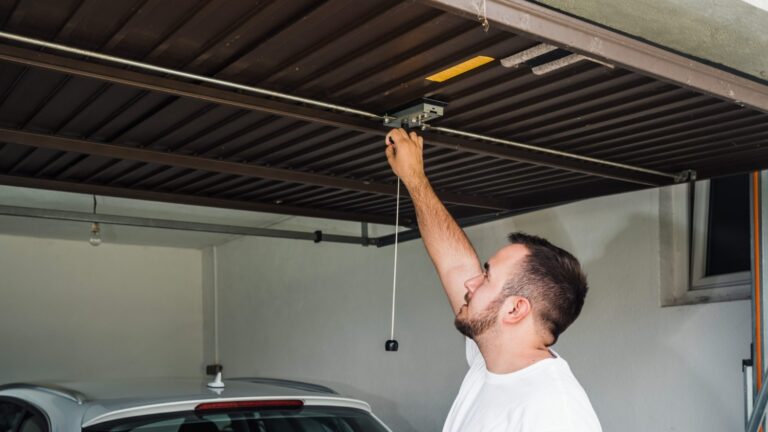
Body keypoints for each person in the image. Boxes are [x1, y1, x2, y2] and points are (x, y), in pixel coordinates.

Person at [384, 128, 602, 432]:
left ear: (514, 310)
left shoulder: (555, 411)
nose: (471, 284)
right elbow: (455, 265)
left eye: (486, 278)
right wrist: (414, 179)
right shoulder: (490, 360)